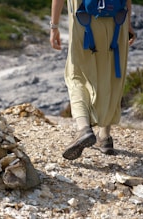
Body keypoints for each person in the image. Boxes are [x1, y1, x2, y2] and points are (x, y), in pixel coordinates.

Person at [50, 0, 136, 160]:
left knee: (76, 76)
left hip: (84, 20)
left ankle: (83, 128)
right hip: (118, 21)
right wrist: (128, 23)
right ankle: (105, 137)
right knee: (110, 74)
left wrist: (54, 26)